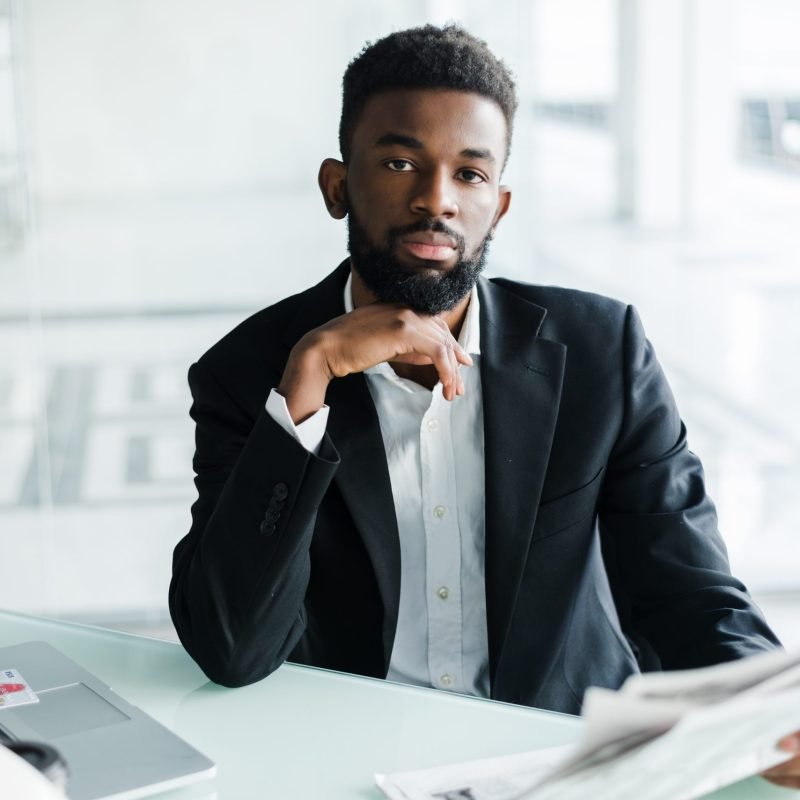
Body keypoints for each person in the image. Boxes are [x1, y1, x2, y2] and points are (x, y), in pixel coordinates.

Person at [169, 24, 800, 787]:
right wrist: (313, 372)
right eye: (401, 162)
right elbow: (232, 648)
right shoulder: (251, 372)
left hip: (557, 757)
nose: (437, 200)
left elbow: (688, 589)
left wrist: (768, 711)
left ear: (498, 206)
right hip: (352, 761)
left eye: (469, 174)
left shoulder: (600, 350)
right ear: (339, 186)